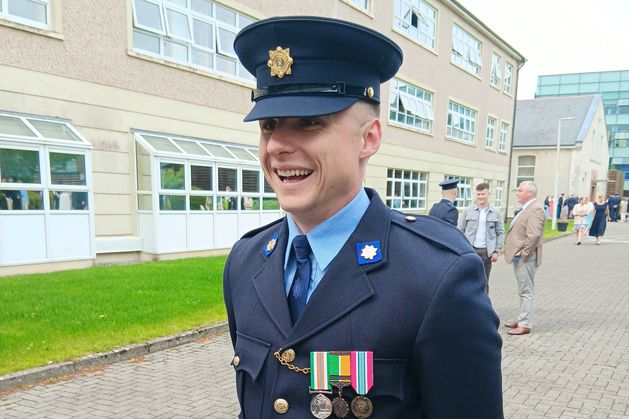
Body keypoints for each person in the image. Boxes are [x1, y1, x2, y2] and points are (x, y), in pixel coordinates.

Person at [224, 16, 503, 418]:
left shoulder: (437, 276)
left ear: (368, 139)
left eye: (308, 124)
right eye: (269, 126)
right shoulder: (246, 262)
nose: (279, 145)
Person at [504, 181, 545, 336]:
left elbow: (533, 235)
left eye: (520, 190)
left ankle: (525, 324)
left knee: (526, 291)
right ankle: (522, 319)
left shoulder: (536, 209)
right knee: (522, 290)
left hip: (526, 258)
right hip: (520, 256)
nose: (517, 193)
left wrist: (524, 254)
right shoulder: (527, 208)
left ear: (530, 193)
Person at [458, 182, 505, 293]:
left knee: (484, 281)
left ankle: (483, 308)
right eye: (478, 194)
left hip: (486, 253)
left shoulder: (496, 213)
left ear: (488, 194)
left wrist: (496, 251)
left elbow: (501, 233)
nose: (480, 197)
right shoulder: (467, 211)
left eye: (483, 194)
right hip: (470, 250)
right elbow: (460, 230)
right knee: (467, 280)